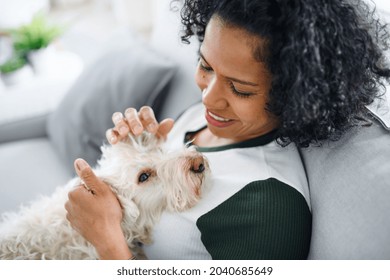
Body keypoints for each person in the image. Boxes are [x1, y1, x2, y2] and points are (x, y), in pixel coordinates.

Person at [64, 0, 390, 259]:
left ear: (296, 96)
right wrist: (140, 155)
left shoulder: (266, 206)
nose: (208, 98)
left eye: (241, 89)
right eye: (206, 66)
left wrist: (108, 240)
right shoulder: (201, 117)